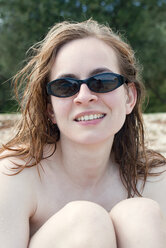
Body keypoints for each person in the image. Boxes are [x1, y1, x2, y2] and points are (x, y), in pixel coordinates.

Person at [0, 19, 166, 248]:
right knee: (86, 221)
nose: (84, 96)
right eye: (65, 86)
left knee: (140, 214)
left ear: (129, 98)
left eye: (102, 82)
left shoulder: (155, 180)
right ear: (51, 110)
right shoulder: (16, 175)